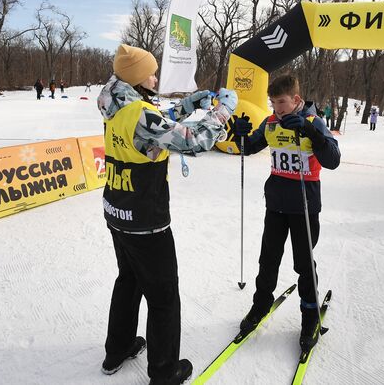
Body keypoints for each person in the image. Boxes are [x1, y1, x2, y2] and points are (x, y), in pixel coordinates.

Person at [97, 43, 237, 385]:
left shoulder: (115, 102)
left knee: (128, 280)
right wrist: (222, 112)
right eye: (151, 72)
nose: (156, 76)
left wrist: (187, 104)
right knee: (163, 297)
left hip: (118, 209)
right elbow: (193, 141)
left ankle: (118, 348)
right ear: (136, 77)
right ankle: (164, 371)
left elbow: (152, 126)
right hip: (146, 218)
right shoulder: (138, 113)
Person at [233, 74, 340, 353]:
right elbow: (248, 147)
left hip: (304, 207)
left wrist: (311, 132)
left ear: (296, 100)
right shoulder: (270, 123)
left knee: (304, 264)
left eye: (281, 102)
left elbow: (333, 160)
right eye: (273, 103)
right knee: (268, 260)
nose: (277, 108)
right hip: (276, 205)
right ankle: (260, 305)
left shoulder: (314, 123)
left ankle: (309, 317)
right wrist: (241, 134)